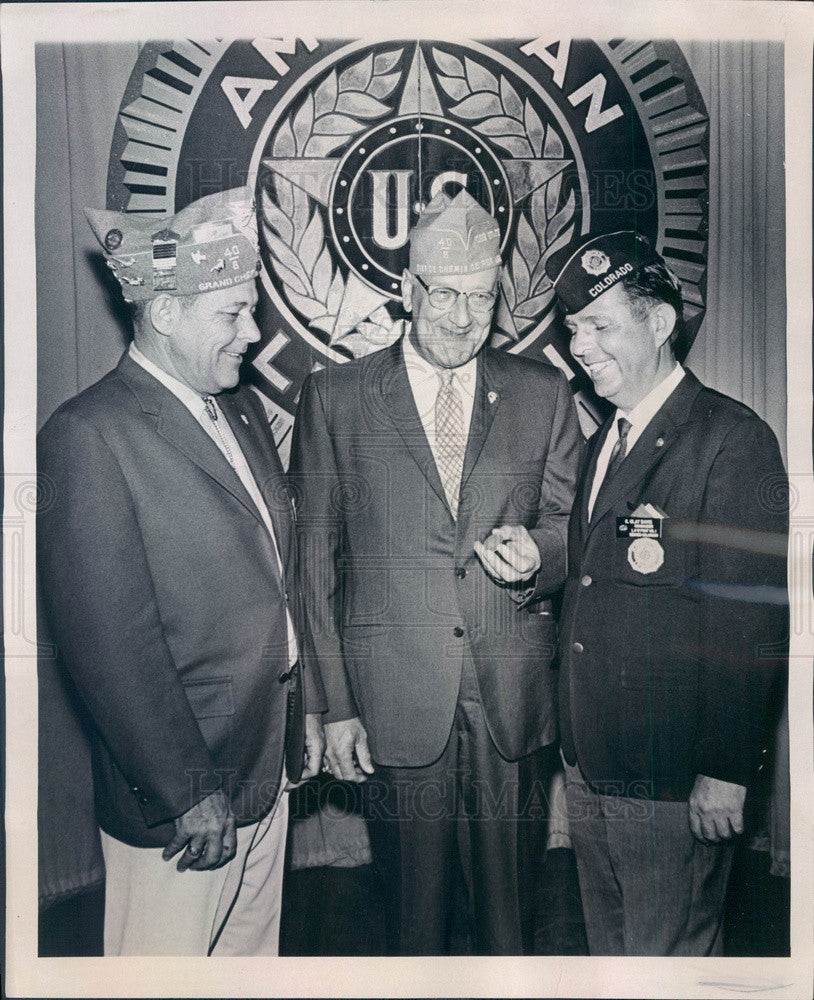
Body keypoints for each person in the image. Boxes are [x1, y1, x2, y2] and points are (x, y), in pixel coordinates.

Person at [289, 189, 583, 955]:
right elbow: (314, 566)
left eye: (481, 300)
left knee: (511, 921)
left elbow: (571, 528)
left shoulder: (543, 394)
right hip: (393, 698)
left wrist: (542, 557)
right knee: (410, 926)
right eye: (445, 296)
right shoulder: (336, 397)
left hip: (510, 700)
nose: (462, 318)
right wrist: (334, 704)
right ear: (406, 290)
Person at [37, 186, 326, 956]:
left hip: (266, 770)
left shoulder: (235, 407)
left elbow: (278, 580)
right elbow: (107, 647)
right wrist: (186, 789)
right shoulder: (87, 434)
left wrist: (307, 722)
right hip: (186, 803)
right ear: (164, 314)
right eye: (232, 313)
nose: (254, 333)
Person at [548, 230, 788, 955]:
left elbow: (749, 625)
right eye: (572, 329)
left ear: (658, 323)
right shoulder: (605, 439)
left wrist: (725, 768)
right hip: (596, 771)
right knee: (618, 960)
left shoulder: (731, 439)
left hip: (673, 780)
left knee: (670, 961)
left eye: (599, 325)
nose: (579, 346)